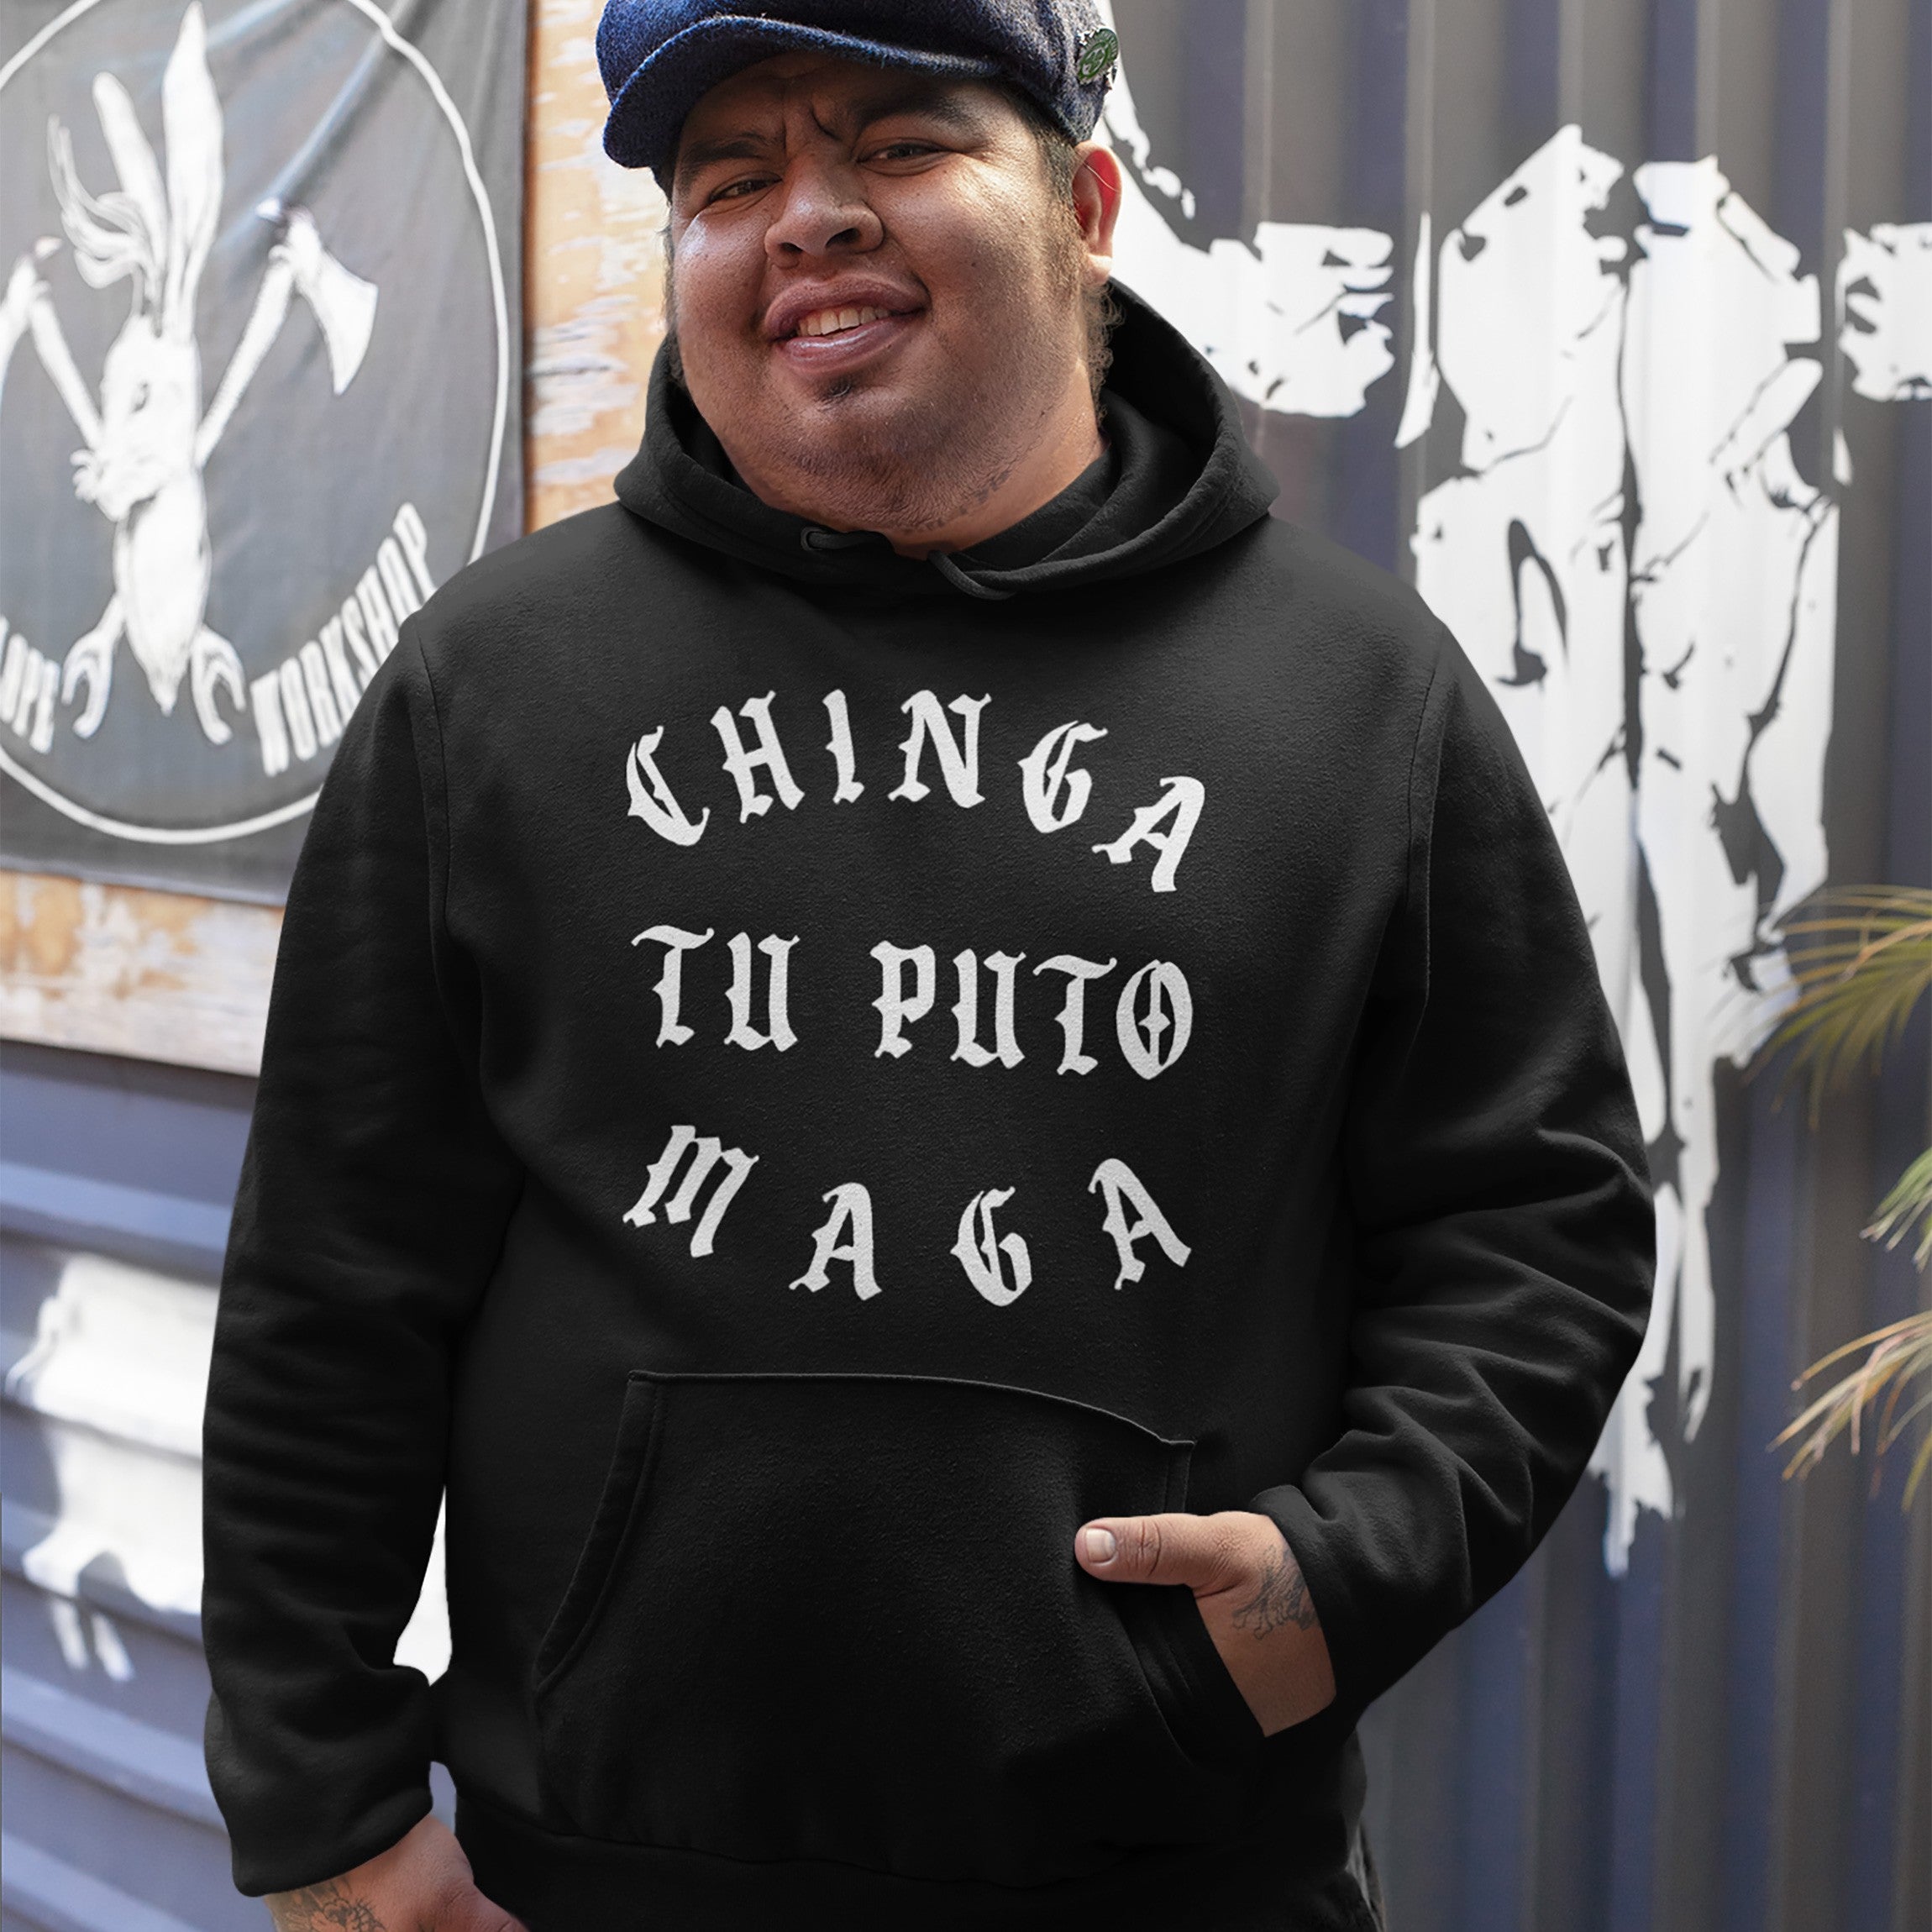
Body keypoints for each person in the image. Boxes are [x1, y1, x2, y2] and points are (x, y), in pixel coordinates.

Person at [201, 3, 1655, 1928]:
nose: (806, 219)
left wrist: (1343, 1576)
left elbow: (1533, 1220)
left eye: (895, 148)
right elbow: (334, 1278)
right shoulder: (498, 685)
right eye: (732, 180)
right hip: (600, 1873)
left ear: (1085, 205)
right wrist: (322, 1807)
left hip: (1178, 1871)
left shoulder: (1350, 693)